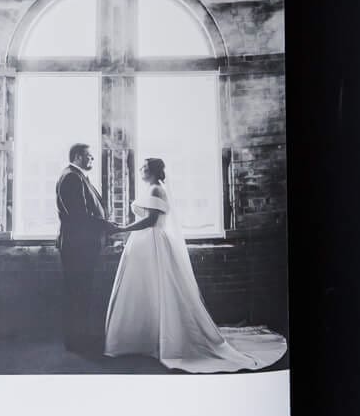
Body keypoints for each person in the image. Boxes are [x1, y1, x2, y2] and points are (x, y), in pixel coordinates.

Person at [104, 158, 288, 372]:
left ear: (153, 171)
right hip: (145, 243)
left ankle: (162, 339)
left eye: (144, 167)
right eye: (141, 166)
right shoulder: (152, 188)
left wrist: (122, 229)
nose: (141, 169)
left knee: (160, 288)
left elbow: (151, 221)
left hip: (153, 242)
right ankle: (147, 338)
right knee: (148, 289)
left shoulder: (156, 189)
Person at [55, 143, 153, 357]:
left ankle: (79, 338)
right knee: (78, 293)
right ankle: (76, 341)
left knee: (82, 293)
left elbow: (86, 212)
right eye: (89, 157)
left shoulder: (76, 176)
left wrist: (105, 223)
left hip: (81, 245)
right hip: (77, 247)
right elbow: (79, 216)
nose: (92, 160)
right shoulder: (71, 177)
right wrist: (107, 225)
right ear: (79, 156)